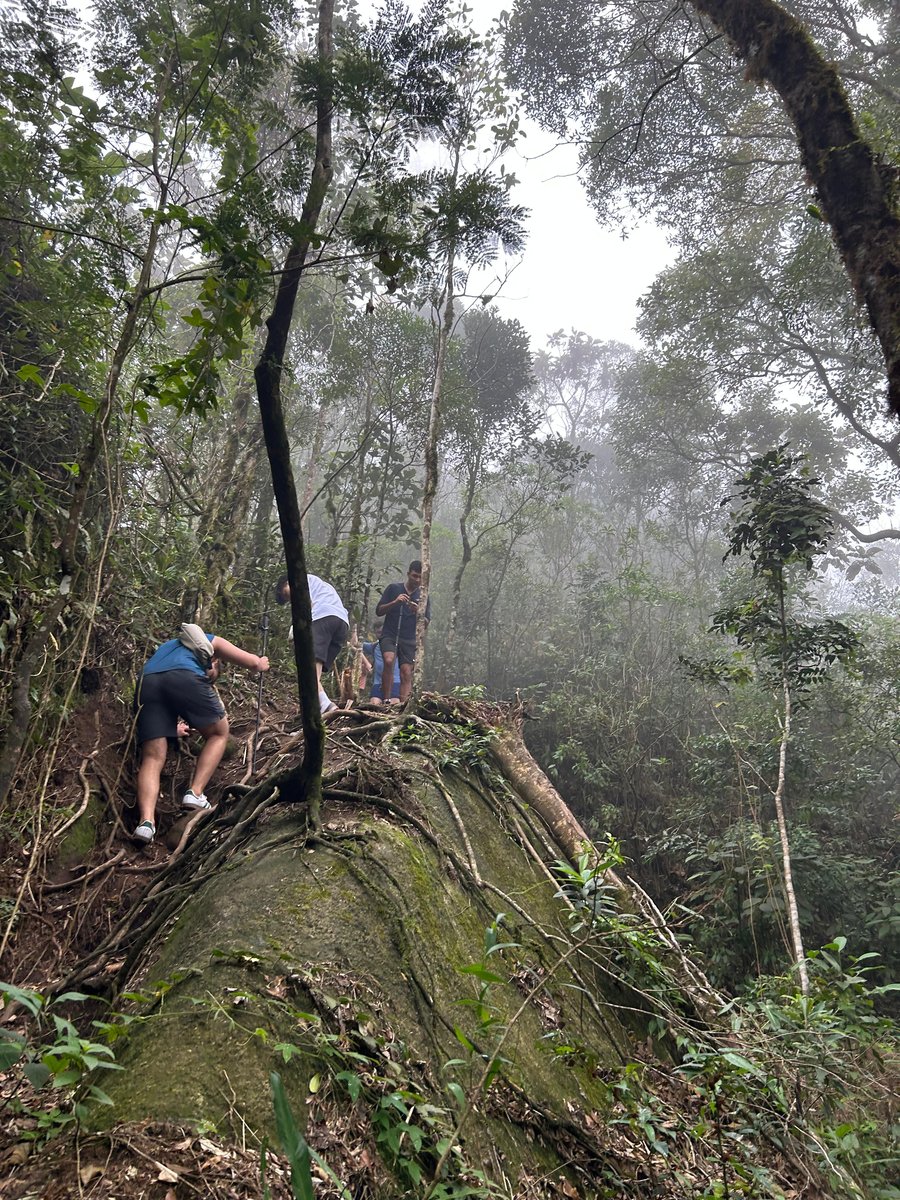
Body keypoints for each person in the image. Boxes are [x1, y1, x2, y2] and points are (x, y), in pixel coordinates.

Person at [133, 630, 269, 845]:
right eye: (210, 676)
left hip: (146, 681)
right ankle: (195, 793)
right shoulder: (211, 640)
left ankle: (146, 823)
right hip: (183, 676)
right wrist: (261, 663)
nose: (207, 678)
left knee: (152, 757)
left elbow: (166, 686)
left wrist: (172, 729)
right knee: (219, 733)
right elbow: (252, 663)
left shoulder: (169, 647)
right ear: (213, 661)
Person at [275, 573, 350, 715]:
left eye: (286, 594)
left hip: (323, 616)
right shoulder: (320, 585)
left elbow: (304, 601)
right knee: (311, 669)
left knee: (308, 667)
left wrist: (295, 626)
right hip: (342, 622)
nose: (290, 599)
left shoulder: (298, 579)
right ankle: (322, 704)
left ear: (286, 582)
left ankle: (323, 706)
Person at [375, 560, 431, 704]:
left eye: (420, 577)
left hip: (409, 638)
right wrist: (395, 602)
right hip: (390, 634)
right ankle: (386, 700)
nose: (417, 580)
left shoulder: (423, 595)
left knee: (406, 672)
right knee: (388, 661)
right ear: (408, 574)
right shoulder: (393, 588)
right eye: (414, 576)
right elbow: (379, 611)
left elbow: (426, 622)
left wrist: (418, 612)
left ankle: (403, 706)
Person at [362, 631, 401, 703]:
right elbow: (356, 644)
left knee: (394, 702)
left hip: (395, 682)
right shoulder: (374, 646)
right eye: (378, 632)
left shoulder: (396, 645)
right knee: (374, 703)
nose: (381, 635)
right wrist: (354, 631)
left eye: (382, 632)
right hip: (378, 683)